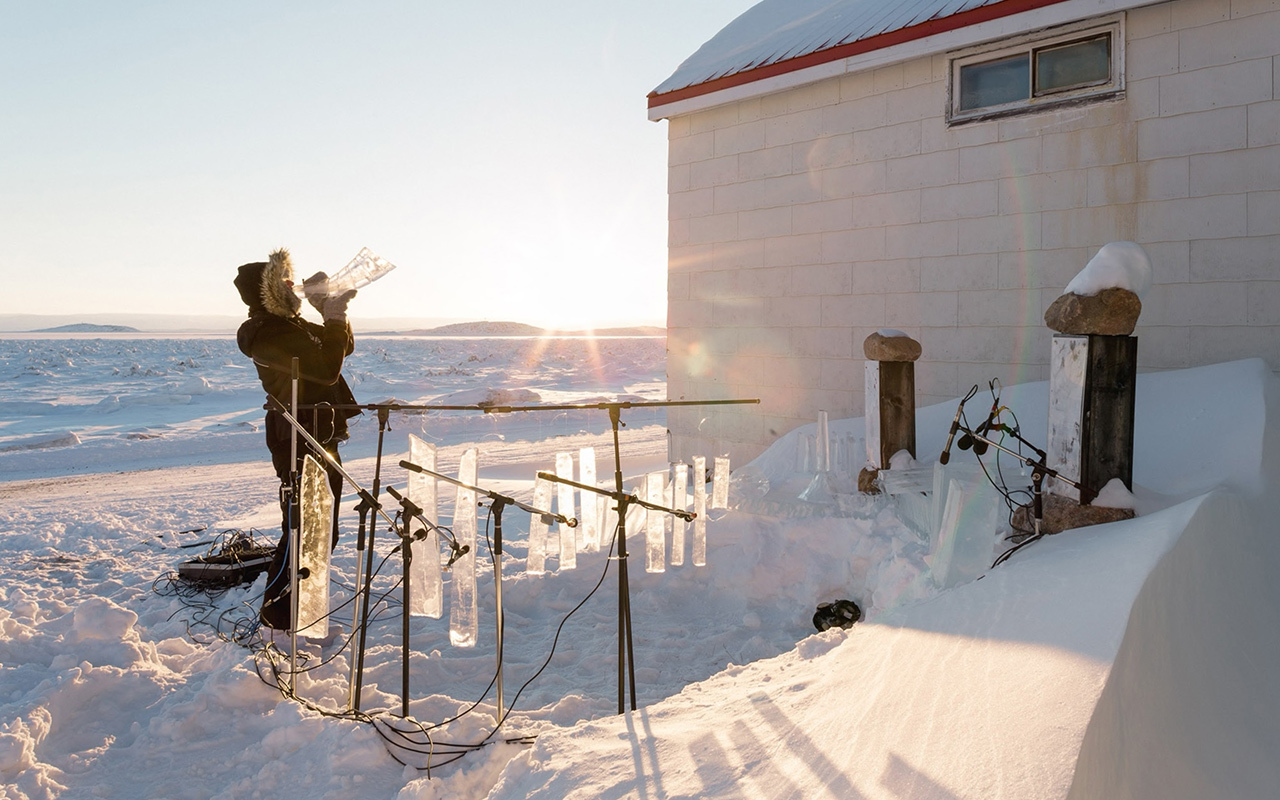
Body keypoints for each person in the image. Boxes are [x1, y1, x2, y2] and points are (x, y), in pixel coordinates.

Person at [234, 247, 360, 631]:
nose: (294, 286)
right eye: (285, 281)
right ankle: (278, 616)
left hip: (319, 430)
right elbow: (325, 371)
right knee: (303, 528)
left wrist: (330, 313)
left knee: (323, 528)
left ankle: (297, 607)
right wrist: (334, 319)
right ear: (269, 290)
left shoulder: (292, 326)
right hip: (297, 435)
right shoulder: (267, 332)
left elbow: (341, 349)